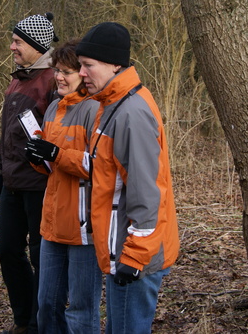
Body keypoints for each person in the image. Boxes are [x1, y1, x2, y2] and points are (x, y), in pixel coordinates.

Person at [75, 22, 179, 333]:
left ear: (114, 65)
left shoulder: (131, 112)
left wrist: (134, 258)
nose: (81, 73)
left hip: (134, 256)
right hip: (120, 249)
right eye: (80, 65)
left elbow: (147, 192)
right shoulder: (110, 105)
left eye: (87, 65)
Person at [24, 39, 102, 333]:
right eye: (57, 70)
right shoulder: (54, 106)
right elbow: (50, 167)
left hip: (83, 228)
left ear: (82, 75)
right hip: (52, 223)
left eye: (66, 72)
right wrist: (35, 157)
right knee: (47, 306)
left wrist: (56, 154)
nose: (59, 77)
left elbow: (98, 166)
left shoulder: (95, 109)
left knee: (81, 311)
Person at [0, 12, 59, 334]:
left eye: (17, 42)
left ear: (35, 45)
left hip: (40, 184)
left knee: (40, 256)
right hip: (11, 183)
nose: (12, 47)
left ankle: (38, 323)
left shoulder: (53, 82)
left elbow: (60, 136)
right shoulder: (16, 79)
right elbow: (7, 132)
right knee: (7, 249)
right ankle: (23, 319)